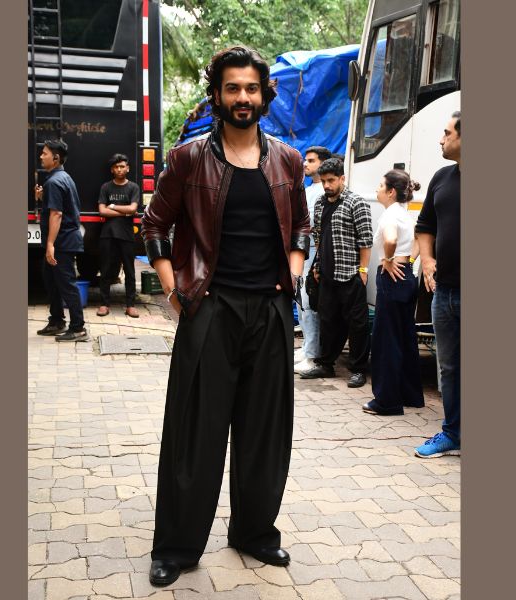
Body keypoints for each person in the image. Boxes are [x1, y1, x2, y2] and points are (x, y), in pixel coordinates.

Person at [140, 45, 310, 586]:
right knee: (196, 432)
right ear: (217, 94)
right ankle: (177, 546)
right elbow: (154, 225)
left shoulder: (287, 160)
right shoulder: (189, 158)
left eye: (251, 88)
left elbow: (301, 227)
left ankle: (255, 533)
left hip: (271, 310)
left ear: (264, 95)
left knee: (265, 432)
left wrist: (292, 275)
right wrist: (176, 294)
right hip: (210, 308)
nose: (243, 97)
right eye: (233, 87)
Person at [300, 158, 372, 388]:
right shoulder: (320, 203)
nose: (327, 185)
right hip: (327, 274)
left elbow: (365, 240)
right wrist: (318, 266)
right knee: (328, 321)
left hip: (350, 273)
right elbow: (318, 237)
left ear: (342, 178)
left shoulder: (356, 202)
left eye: (331, 180)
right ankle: (326, 364)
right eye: (324, 181)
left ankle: (358, 370)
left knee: (357, 325)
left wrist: (363, 270)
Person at [414, 111, 461, 458]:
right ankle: (453, 433)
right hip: (443, 292)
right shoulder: (442, 178)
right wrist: (427, 260)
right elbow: (424, 226)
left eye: (447, 133)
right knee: (449, 367)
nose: (441, 139)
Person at [362, 169, 425, 416]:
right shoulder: (405, 214)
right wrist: (410, 260)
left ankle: (387, 402)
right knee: (405, 337)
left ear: (390, 192)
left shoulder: (389, 215)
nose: (377, 189)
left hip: (392, 278)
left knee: (386, 341)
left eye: (380, 185)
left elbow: (389, 240)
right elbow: (419, 238)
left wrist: (388, 260)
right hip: (407, 276)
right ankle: (410, 395)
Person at [34, 139, 87, 342]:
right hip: (63, 239)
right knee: (51, 280)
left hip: (62, 242)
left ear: (55, 158)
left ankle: (78, 328)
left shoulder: (54, 182)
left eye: (45, 153)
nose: (41, 156)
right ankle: (56, 321)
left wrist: (50, 245)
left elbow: (57, 214)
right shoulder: (62, 178)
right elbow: (59, 205)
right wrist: (43, 197)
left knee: (67, 284)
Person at [294, 145, 332, 373]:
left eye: (311, 160)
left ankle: (313, 354)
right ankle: (307, 346)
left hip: (314, 254)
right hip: (302, 252)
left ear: (323, 163)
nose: (305, 164)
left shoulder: (324, 192)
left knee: (310, 303)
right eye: (305, 160)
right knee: (301, 303)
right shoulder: (308, 190)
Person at [96, 153, 140, 318]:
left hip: (126, 235)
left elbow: (133, 209)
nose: (119, 169)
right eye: (116, 167)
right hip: (108, 234)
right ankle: (104, 304)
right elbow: (102, 211)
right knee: (106, 270)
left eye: (122, 166)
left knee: (129, 271)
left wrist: (113, 206)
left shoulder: (133, 187)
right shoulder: (106, 187)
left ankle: (130, 305)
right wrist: (125, 211)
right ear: (112, 170)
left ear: (127, 168)